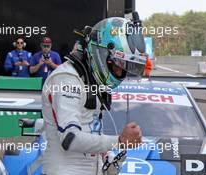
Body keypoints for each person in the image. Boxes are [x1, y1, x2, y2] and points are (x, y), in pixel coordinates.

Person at [41, 17, 146, 175]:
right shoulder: (66, 79)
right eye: (117, 65)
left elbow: (90, 130)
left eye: (125, 68)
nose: (120, 73)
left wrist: (107, 157)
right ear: (101, 52)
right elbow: (70, 139)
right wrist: (118, 141)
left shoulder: (89, 79)